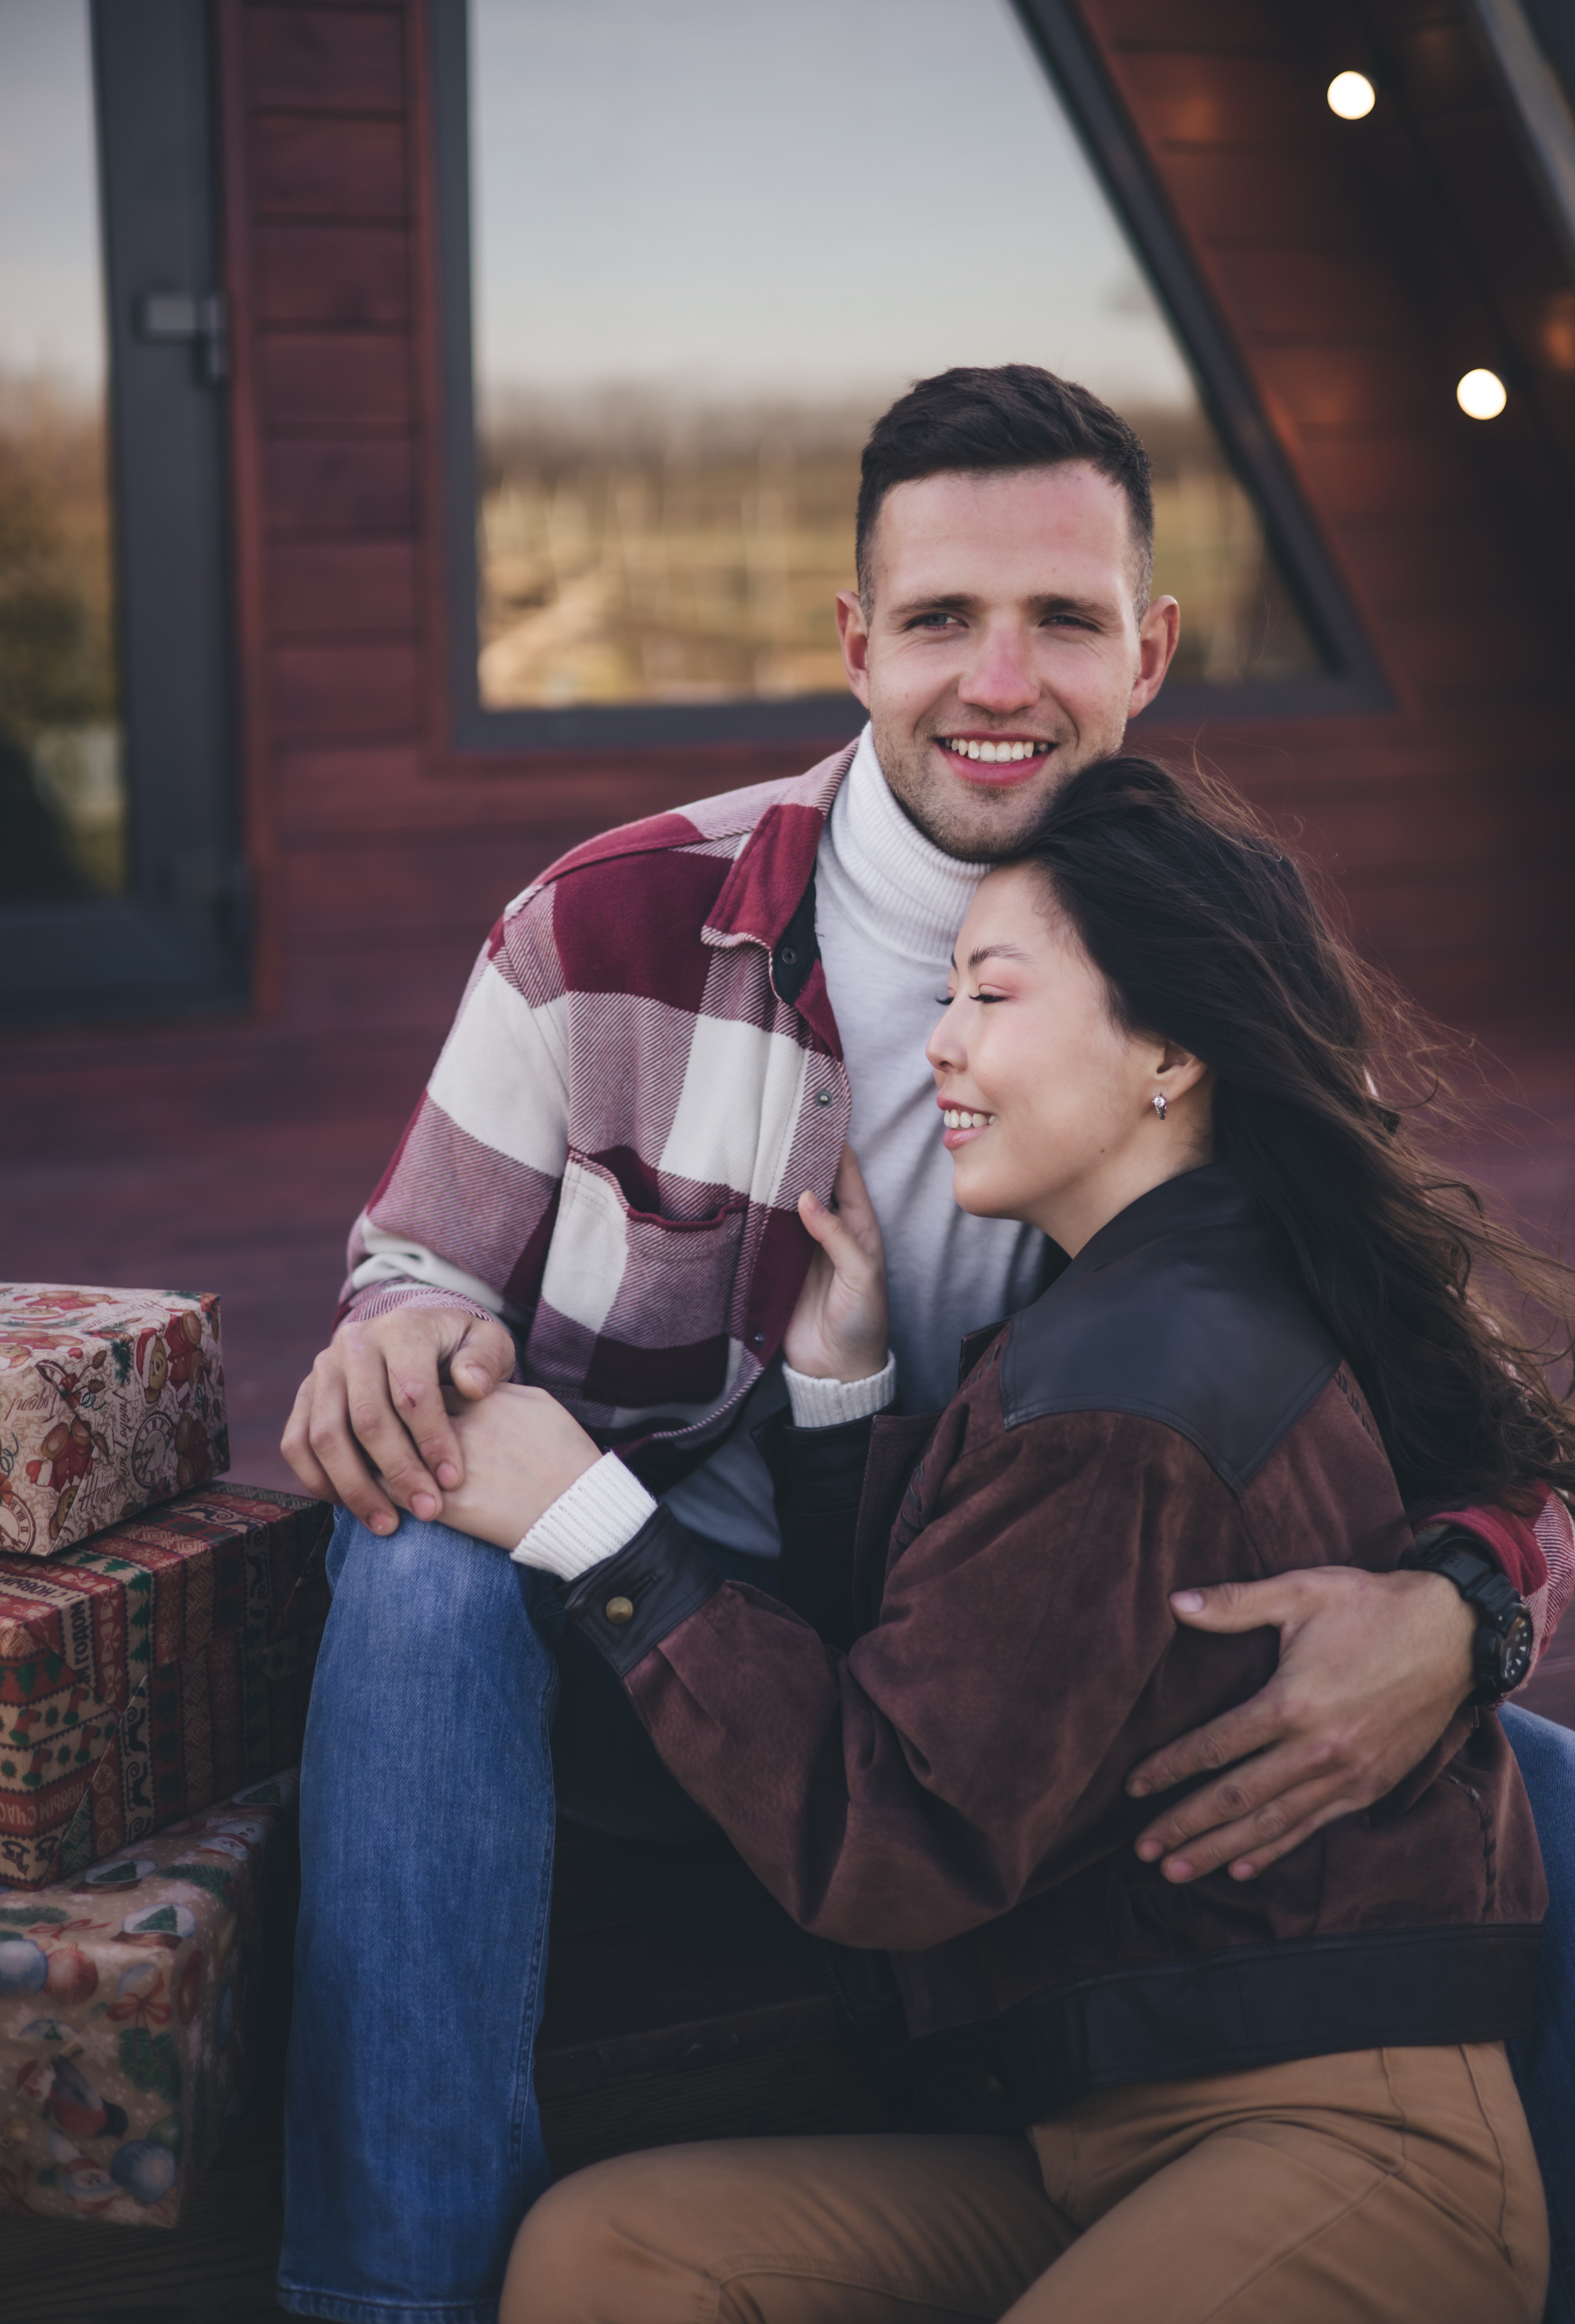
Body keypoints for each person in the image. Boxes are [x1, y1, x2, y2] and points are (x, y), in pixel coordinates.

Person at [275, 367, 1573, 2324]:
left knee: (1533, 1773)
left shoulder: (1200, 963)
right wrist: (404, 1339)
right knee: (413, 1578)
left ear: (1146, 654)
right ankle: (388, 2290)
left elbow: (1451, 1388)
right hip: (666, 1665)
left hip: (1000, 1673)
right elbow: (416, 1275)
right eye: (944, 617)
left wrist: (1468, 1608)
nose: (1002, 674)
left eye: (1061, 621)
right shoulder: (606, 929)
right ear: (855, 643)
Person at [435, 755, 1565, 2322]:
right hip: (1090, 2139)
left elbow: (889, 1832)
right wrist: (842, 1401)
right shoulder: (1146, 1302)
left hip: (1338, 2142)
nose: (938, 1048)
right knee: (613, 2258)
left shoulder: (1136, 1375)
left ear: (1167, 1049)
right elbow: (967, 1673)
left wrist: (590, 1525)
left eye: (990, 995)